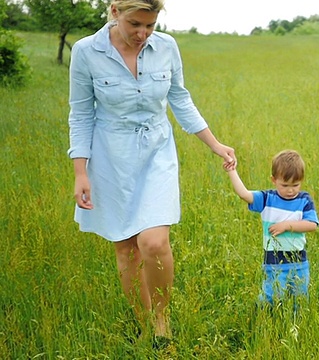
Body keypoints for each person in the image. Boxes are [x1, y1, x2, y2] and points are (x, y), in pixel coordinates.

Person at [67, 0, 235, 345]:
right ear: (115, 12)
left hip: (157, 151)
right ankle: (143, 325)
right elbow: (81, 114)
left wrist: (215, 144)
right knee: (126, 247)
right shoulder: (86, 52)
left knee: (154, 242)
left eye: (150, 25)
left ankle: (161, 322)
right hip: (110, 156)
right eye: (135, 25)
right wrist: (80, 172)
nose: (142, 34)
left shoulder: (167, 47)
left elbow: (180, 99)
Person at [224, 150, 319, 309]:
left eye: (295, 185)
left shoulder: (304, 200)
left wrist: (287, 226)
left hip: (299, 262)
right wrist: (232, 171)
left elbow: (312, 224)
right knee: (270, 296)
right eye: (285, 185)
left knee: (299, 300)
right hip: (274, 262)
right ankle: (259, 318)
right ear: (273, 180)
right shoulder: (267, 199)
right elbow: (244, 194)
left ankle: (293, 326)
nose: (290, 190)